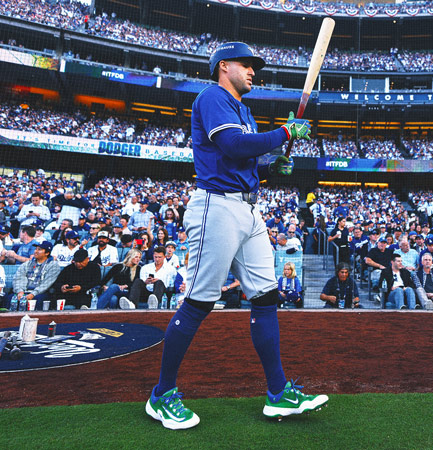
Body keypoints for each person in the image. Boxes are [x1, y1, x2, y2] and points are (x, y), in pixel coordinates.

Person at [145, 42, 325, 431]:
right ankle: (161, 395)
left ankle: (278, 394)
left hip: (247, 209)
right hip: (216, 206)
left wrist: (271, 168)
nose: (253, 71)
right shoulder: (213, 97)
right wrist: (283, 132)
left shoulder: (243, 110)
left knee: (266, 296)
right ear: (223, 66)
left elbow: (244, 163)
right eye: (246, 65)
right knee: (199, 302)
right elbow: (232, 144)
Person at [11, 241, 60, 308]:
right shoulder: (27, 264)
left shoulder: (53, 265)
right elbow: (18, 278)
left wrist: (33, 294)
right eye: (36, 249)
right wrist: (20, 291)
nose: (35, 251)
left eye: (39, 249)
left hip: (41, 293)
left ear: (47, 253)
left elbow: (46, 284)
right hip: (24, 292)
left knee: (37, 300)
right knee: (11, 298)